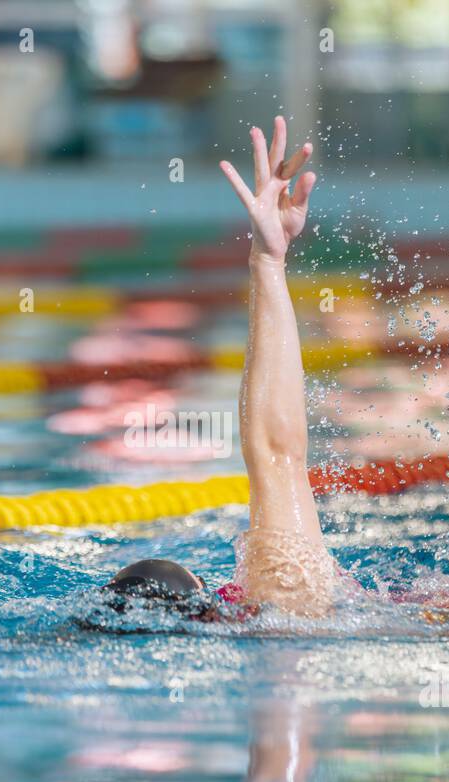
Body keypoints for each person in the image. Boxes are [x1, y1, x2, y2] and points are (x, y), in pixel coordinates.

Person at [104, 116, 342, 620]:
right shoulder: (286, 601)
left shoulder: (277, 625)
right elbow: (278, 454)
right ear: (210, 609)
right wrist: (268, 262)